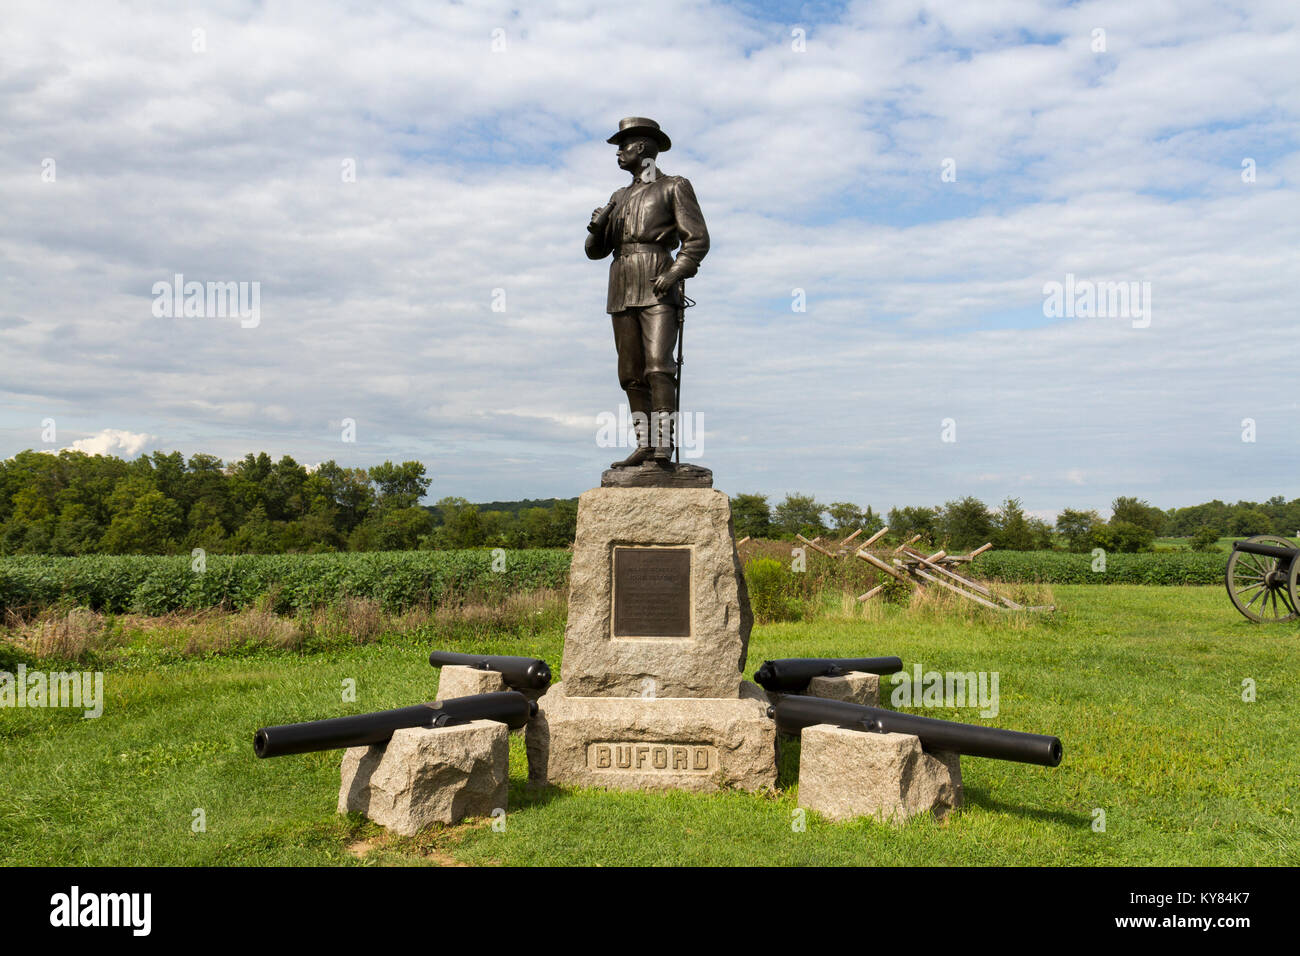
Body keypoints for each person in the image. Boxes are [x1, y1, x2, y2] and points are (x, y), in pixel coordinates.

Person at [586, 117, 709, 467]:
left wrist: (676, 272)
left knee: (658, 367)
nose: (619, 153)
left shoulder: (674, 186)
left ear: (642, 148)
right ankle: (645, 444)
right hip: (622, 284)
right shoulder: (618, 197)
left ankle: (663, 446)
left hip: (657, 281)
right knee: (630, 372)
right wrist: (596, 228)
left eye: (623, 146)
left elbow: (697, 239)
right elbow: (595, 251)